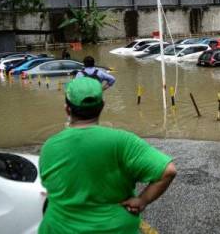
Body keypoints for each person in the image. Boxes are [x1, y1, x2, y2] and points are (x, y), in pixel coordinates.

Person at [39, 77, 177, 234]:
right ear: (102, 106)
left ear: (67, 109)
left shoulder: (50, 146)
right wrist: (142, 200)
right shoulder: (123, 141)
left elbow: (51, 186)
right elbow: (168, 171)